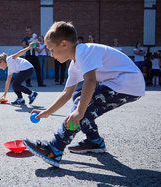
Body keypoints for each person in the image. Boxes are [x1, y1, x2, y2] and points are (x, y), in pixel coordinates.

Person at [23, 21, 145, 168]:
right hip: (119, 84)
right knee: (78, 96)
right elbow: (67, 93)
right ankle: (94, 141)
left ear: (63, 44)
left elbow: (91, 80)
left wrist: (80, 111)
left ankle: (54, 149)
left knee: (83, 105)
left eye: (51, 49)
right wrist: (47, 112)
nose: (51, 54)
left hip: (127, 82)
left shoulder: (84, 51)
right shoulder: (75, 64)